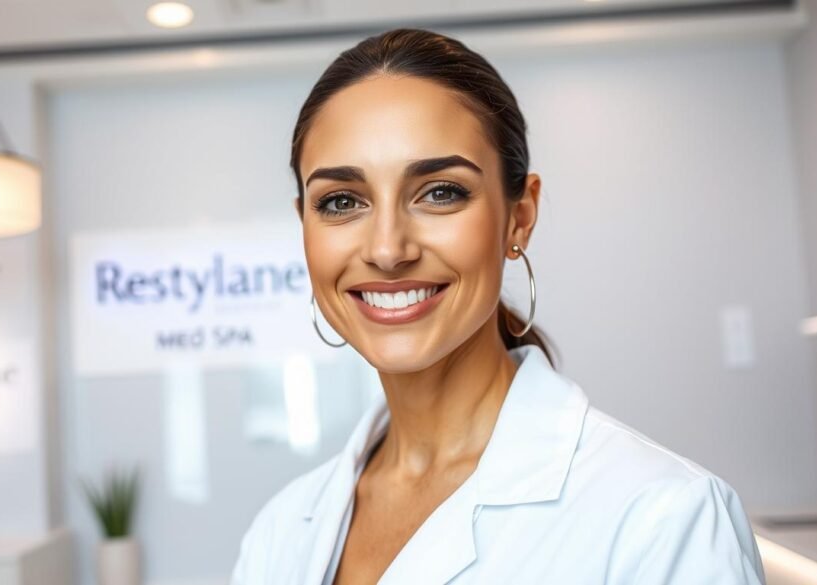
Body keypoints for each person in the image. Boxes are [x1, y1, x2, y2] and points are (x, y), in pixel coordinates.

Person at [230, 28, 766, 584]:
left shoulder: (663, 519)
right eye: (341, 202)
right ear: (304, 226)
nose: (387, 250)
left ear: (520, 217)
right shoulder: (282, 530)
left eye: (440, 192)